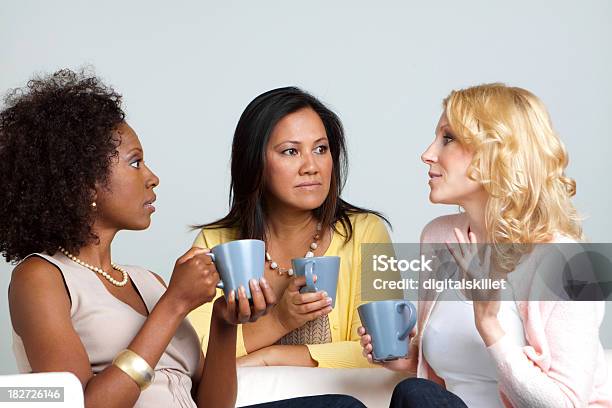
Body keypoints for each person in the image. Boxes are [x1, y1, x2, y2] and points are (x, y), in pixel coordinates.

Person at [1, 69, 366, 408]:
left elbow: (212, 405)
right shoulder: (41, 278)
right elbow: (83, 406)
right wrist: (174, 305)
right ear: (83, 181)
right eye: (134, 162)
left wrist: (224, 322)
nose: (152, 177)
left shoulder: (147, 282)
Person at [359, 83, 612, 407]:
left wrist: (489, 324)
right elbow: (451, 379)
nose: (428, 154)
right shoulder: (438, 238)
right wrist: (408, 359)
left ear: (495, 154)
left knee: (413, 394)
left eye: (447, 138)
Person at [189, 86, 397, 368]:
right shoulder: (216, 242)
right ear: (255, 162)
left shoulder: (367, 232)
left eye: (321, 149)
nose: (311, 166)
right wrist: (278, 321)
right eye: (290, 151)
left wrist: (270, 357)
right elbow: (192, 353)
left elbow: (385, 352)